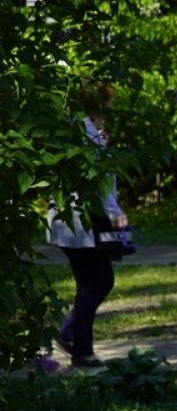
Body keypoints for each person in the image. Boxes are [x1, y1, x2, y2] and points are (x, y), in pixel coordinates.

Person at [47, 83, 127, 370]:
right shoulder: (84, 132)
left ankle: (73, 336)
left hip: (72, 221)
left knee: (92, 282)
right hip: (82, 221)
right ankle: (79, 346)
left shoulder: (78, 130)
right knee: (98, 281)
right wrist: (115, 213)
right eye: (107, 103)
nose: (109, 108)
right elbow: (98, 180)